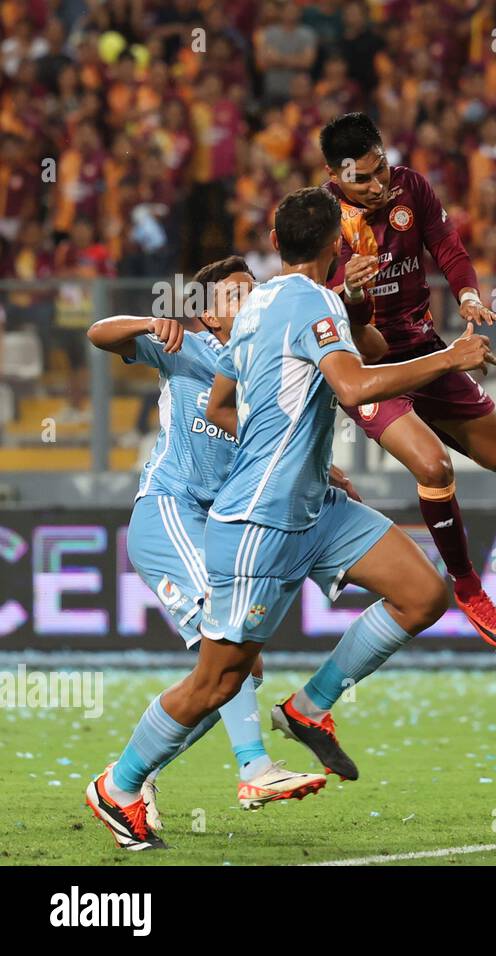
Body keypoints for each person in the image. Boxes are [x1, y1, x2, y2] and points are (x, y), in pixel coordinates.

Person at [85, 187, 496, 850]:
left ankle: (308, 709)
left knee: (421, 594)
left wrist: (297, 452)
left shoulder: (265, 310)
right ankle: (122, 784)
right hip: (259, 521)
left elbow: (225, 402)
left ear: (274, 247)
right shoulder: (297, 304)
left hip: (314, 506)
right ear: (337, 244)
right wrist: (451, 357)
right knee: (221, 677)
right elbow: (356, 386)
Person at [86, 256, 327, 826]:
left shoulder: (265, 367)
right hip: (170, 509)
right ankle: (254, 769)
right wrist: (149, 323)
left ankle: (124, 782)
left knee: (237, 668)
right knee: (226, 639)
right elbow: (98, 333)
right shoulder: (183, 347)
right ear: (207, 312)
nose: (250, 298)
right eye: (235, 292)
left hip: (219, 526)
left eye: (254, 289)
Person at [319, 113, 496, 650]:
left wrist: (470, 296)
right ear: (334, 176)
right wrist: (347, 294)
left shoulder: (413, 188)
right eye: (362, 178)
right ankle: (467, 585)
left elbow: (449, 248)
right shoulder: (319, 220)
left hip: (425, 348)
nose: (378, 183)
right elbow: (315, 308)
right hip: (368, 369)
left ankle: (426, 420)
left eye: (380, 167)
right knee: (434, 465)